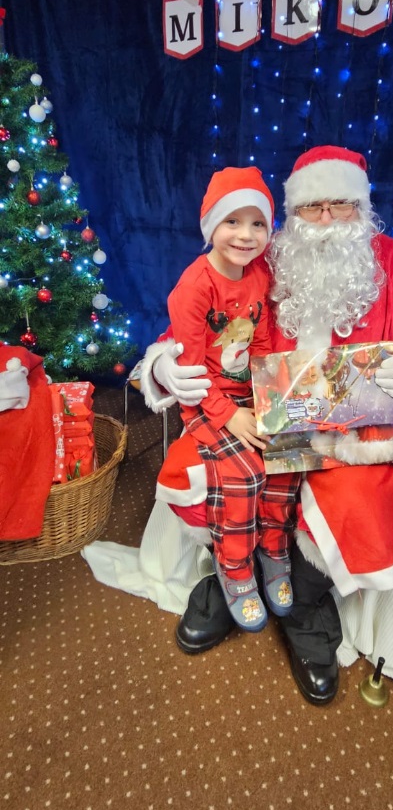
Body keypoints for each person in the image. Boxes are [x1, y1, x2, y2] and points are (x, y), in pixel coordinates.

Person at [139, 145, 393, 705]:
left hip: (352, 434)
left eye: (341, 204)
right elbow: (203, 323)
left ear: (363, 207)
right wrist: (164, 363)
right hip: (260, 413)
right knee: (201, 468)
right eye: (313, 206)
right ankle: (233, 573)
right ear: (292, 212)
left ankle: (306, 605)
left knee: (357, 500)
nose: (327, 218)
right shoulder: (261, 257)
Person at [156, 165, 300, 632]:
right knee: (244, 475)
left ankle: (273, 549)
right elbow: (192, 371)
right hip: (207, 401)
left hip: (249, 392)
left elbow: (262, 340)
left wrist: (266, 395)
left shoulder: (258, 274)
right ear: (210, 225)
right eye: (232, 221)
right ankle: (235, 567)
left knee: (287, 455)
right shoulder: (194, 287)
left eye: (258, 223)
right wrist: (230, 415)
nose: (245, 234)